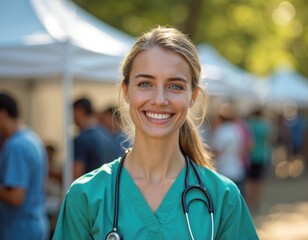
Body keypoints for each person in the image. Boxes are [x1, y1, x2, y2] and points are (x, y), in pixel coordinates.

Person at [53, 26, 258, 239]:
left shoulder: (224, 199)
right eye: (145, 84)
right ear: (126, 91)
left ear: (193, 96)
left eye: (175, 86)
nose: (159, 99)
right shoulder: (86, 196)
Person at [0, 92, 49, 240]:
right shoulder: (31, 138)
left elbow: (16, 197)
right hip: (33, 224)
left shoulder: (16, 146)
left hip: (19, 229)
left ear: (2, 114)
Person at [72, 97, 119, 179]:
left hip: (87, 189)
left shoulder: (83, 139)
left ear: (79, 110)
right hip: (106, 188)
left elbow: (75, 174)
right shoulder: (107, 135)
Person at [211, 102, 247, 195]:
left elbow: (216, 151)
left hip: (224, 170)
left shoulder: (221, 131)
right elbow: (244, 147)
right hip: (238, 168)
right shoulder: (237, 129)